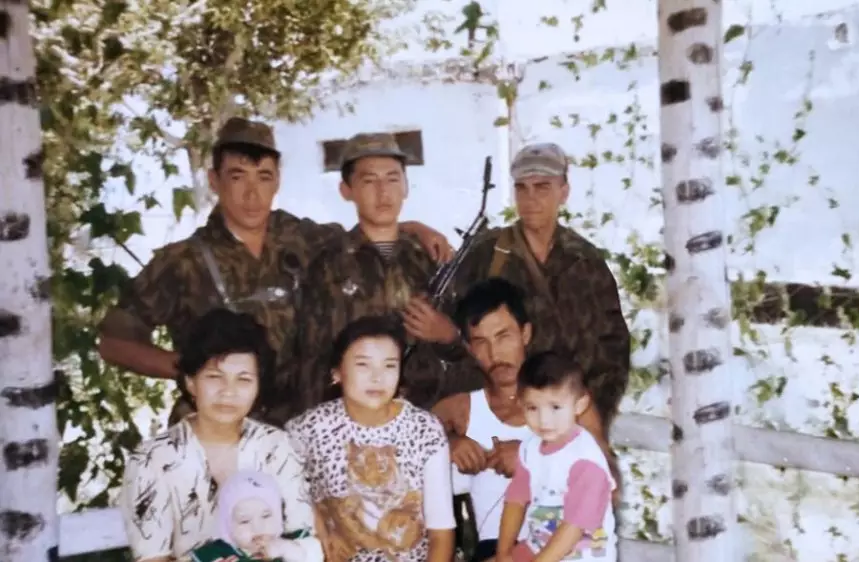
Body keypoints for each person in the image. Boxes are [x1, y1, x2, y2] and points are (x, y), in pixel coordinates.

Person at [98, 117, 452, 426]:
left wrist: (414, 229)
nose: (252, 194)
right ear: (214, 180)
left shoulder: (301, 237)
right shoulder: (183, 260)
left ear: (277, 181)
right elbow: (115, 342)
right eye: (238, 176)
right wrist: (190, 368)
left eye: (264, 177)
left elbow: (369, 232)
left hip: (292, 427)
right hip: (215, 426)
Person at [447, 142, 631, 435]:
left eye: (542, 187)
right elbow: (460, 338)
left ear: (564, 192)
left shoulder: (586, 261)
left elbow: (613, 350)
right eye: (522, 188)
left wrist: (589, 422)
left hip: (569, 422)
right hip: (499, 423)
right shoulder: (487, 254)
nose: (530, 199)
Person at [431, 278, 614, 562]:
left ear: (525, 333)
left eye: (504, 336)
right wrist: (449, 444)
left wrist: (533, 458)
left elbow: (607, 483)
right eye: (481, 342)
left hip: (575, 549)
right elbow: (405, 447)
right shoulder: (460, 409)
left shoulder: (569, 404)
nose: (495, 354)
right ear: (469, 347)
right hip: (501, 547)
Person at [119, 309, 321, 562]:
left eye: (244, 380)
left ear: (258, 386)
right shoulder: (153, 459)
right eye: (215, 377)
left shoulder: (276, 447)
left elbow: (304, 535)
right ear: (191, 382)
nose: (228, 392)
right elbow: (152, 558)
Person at [296, 132, 471, 416]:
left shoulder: (433, 258)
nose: (383, 192)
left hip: (430, 416)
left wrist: (447, 335)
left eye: (392, 179)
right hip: (353, 418)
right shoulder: (328, 265)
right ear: (346, 190)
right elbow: (311, 359)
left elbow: (471, 352)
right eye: (369, 181)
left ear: (406, 186)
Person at [287, 315, 456, 562]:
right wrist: (317, 523)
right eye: (363, 365)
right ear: (337, 372)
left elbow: (441, 532)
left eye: (389, 366)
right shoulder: (309, 429)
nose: (377, 378)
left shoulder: (424, 429)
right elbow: (278, 489)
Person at [493, 352, 616, 562]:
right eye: (533, 408)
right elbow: (515, 500)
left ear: (579, 405)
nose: (544, 420)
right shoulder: (530, 447)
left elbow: (573, 528)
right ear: (521, 404)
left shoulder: (585, 462)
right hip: (538, 547)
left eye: (555, 407)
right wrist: (503, 553)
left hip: (581, 556)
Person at [190, 471, 317, 562]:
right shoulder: (216, 553)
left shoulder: (293, 543)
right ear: (227, 527)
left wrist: (286, 549)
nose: (257, 527)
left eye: (266, 516)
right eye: (244, 521)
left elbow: (315, 555)